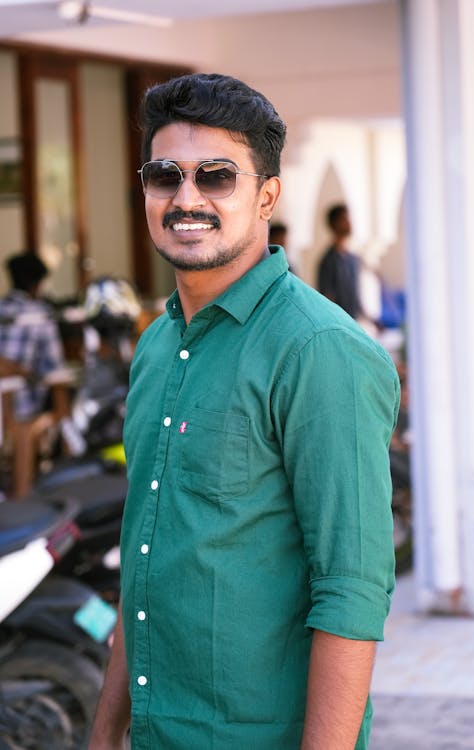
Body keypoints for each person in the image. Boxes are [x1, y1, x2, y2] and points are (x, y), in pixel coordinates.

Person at [89, 73, 400, 750]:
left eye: (217, 176)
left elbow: (351, 591)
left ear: (266, 195)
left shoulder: (320, 351)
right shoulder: (156, 345)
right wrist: (106, 732)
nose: (186, 197)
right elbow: (145, 559)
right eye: (164, 175)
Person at [0, 251, 65, 420]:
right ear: (36, 283)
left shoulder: (2, 308)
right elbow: (55, 368)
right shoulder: (41, 315)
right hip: (24, 405)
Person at [317, 203, 361, 319]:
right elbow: (327, 298)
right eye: (344, 219)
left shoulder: (352, 259)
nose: (349, 222)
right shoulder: (328, 261)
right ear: (334, 224)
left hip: (353, 322)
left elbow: (354, 296)